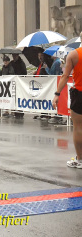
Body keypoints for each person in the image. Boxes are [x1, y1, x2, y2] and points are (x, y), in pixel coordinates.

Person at [53, 40, 82, 169]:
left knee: (78, 128)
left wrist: (57, 94)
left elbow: (65, 76)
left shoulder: (73, 55)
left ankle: (80, 159)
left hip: (79, 93)